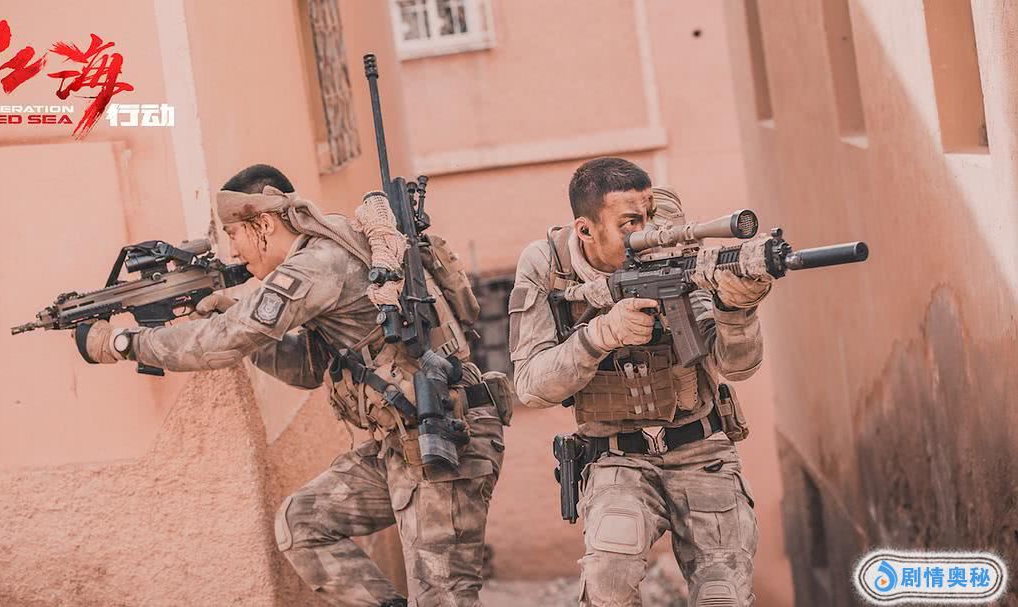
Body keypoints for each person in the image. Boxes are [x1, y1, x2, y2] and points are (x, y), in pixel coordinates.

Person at [76, 164, 507, 607]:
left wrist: (124, 343)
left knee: (441, 598)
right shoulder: (331, 248)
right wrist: (233, 319)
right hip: (406, 443)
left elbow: (224, 341)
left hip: (445, 440)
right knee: (302, 523)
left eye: (234, 233)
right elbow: (306, 368)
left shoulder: (318, 263)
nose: (233, 250)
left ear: (264, 225)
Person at [509, 157, 770, 606]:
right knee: (608, 582)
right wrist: (599, 336)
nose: (646, 231)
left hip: (702, 451)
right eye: (629, 222)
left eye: (649, 215)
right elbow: (531, 385)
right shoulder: (548, 265)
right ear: (585, 230)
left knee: (722, 595)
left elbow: (738, 366)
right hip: (616, 458)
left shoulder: (676, 249)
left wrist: (737, 310)